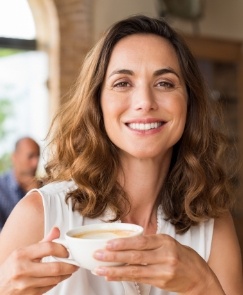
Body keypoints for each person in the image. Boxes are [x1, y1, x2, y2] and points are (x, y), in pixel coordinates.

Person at [0, 14, 242, 295]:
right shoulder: (38, 215)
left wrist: (203, 284)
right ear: (97, 103)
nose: (145, 103)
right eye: (122, 83)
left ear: (189, 101)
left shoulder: (212, 222)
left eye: (164, 83)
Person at [0, 136, 41, 229]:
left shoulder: (43, 188)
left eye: (38, 156)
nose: (36, 163)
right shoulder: (1, 188)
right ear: (14, 157)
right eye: (30, 156)